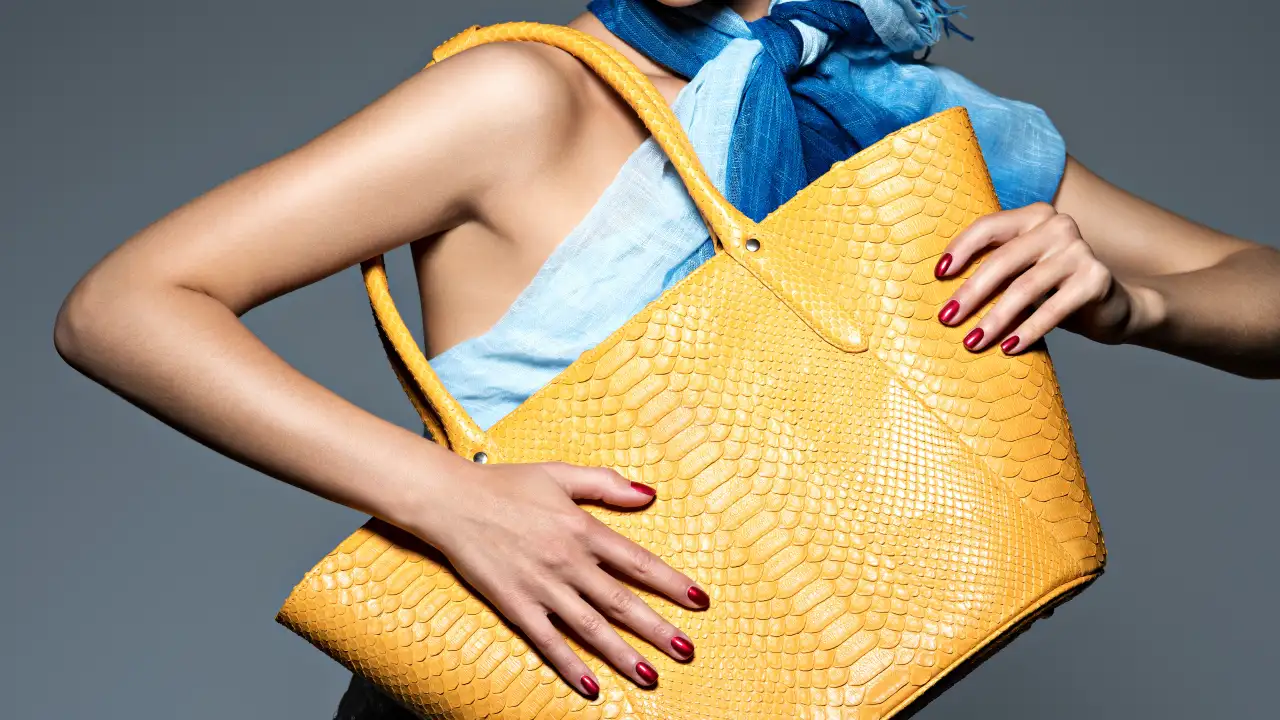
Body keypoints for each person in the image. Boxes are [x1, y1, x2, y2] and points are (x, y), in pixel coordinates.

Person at [52, 0, 1280, 717]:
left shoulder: (899, 117)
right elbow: (124, 303)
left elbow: (1255, 287)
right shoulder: (526, 95)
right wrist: (443, 495)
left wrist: (1132, 305)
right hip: (550, 695)